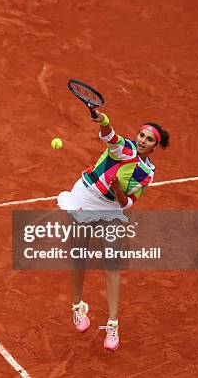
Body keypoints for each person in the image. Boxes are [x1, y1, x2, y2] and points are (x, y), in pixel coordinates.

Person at [57, 109, 170, 351]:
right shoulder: (125, 149)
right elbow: (110, 137)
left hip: (110, 208)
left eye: (149, 139)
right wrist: (104, 121)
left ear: (154, 147)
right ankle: (78, 307)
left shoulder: (147, 173)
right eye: (141, 135)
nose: (143, 140)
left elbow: (128, 203)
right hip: (85, 198)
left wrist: (118, 189)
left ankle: (113, 324)